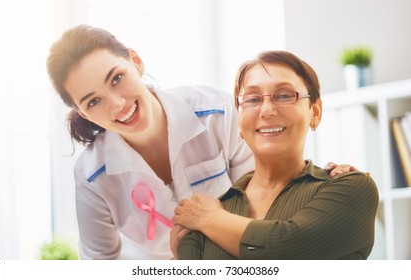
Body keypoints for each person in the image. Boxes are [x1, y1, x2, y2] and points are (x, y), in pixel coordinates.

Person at [46, 25, 356, 259]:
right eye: (93, 101)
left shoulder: (217, 113)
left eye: (116, 78)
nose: (116, 104)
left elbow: (271, 199)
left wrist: (320, 181)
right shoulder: (91, 175)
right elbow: (101, 264)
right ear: (80, 111)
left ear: (135, 61)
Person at [173, 50, 379, 260]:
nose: (267, 110)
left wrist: (210, 218)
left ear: (315, 112)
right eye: (252, 99)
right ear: (239, 119)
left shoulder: (352, 188)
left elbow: (288, 249)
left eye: (284, 96)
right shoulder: (205, 217)